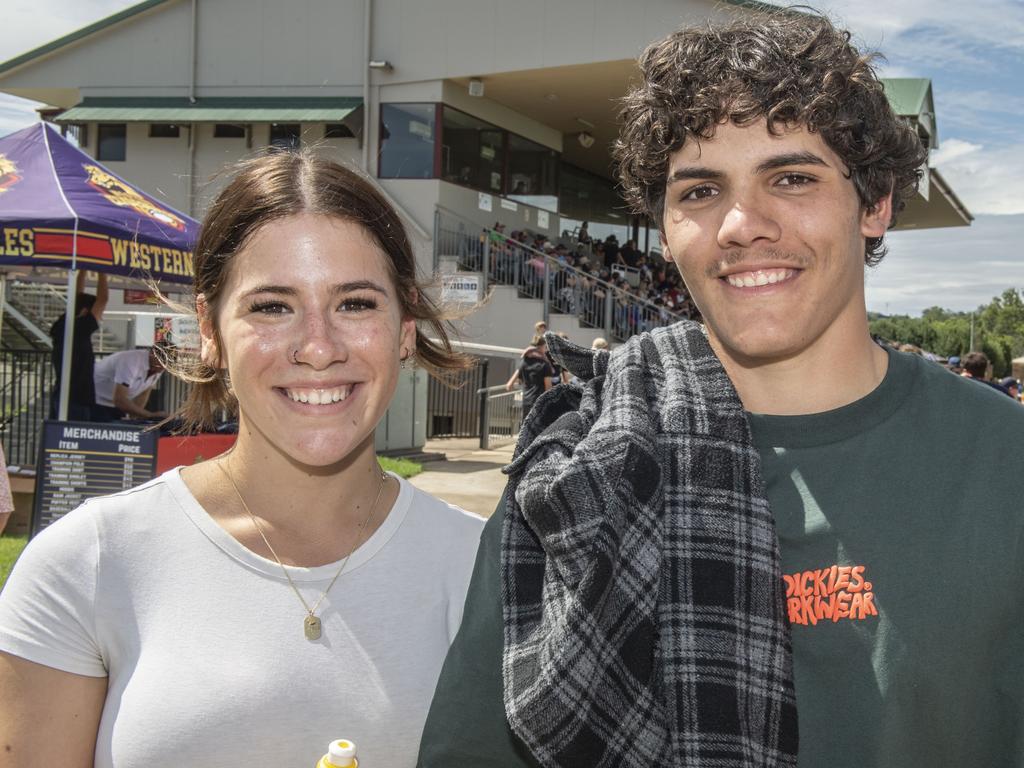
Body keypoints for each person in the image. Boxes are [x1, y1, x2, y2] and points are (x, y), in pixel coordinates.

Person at [418, 10, 1024, 768]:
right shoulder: (573, 471)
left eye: (793, 178)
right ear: (667, 229)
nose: (742, 223)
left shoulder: (1005, 467)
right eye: (701, 192)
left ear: (875, 204)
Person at [0, 150, 485, 768]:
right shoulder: (86, 563)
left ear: (406, 328)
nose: (317, 347)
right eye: (272, 306)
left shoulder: (487, 572)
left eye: (356, 303)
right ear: (209, 328)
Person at [48, 270, 108, 421]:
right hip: (77, 398)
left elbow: (76, 297)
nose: (100, 316)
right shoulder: (80, 329)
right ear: (85, 311)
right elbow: (103, 300)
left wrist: (82, 269)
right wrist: (103, 271)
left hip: (62, 394)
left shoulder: (64, 324)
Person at [91, 345, 169, 421]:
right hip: (94, 400)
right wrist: (150, 415)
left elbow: (143, 394)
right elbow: (119, 399)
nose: (165, 365)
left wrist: (134, 418)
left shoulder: (158, 366)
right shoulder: (131, 361)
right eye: (163, 360)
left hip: (114, 405)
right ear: (152, 354)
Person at [505, 335, 554, 418]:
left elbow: (509, 386)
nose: (546, 350)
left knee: (526, 428)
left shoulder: (524, 362)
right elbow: (548, 388)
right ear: (541, 347)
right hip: (539, 403)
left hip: (526, 402)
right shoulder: (545, 365)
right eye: (545, 347)